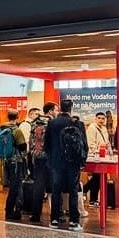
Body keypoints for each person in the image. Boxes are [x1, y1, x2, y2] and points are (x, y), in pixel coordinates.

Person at [44, 99, 88, 231]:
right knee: (73, 190)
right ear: (71, 109)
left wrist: (51, 159)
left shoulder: (52, 123)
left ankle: (55, 219)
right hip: (73, 162)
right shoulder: (77, 123)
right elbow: (84, 145)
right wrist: (82, 161)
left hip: (57, 162)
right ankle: (74, 221)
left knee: (56, 190)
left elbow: (47, 144)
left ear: (61, 108)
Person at [29, 102, 56, 224]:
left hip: (37, 157)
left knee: (38, 186)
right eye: (56, 110)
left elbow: (31, 140)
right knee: (55, 186)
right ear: (50, 111)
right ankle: (56, 215)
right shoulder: (52, 123)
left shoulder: (34, 122)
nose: (57, 112)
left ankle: (35, 215)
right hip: (50, 158)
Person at [0, 110, 28, 221]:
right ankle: (11, 211)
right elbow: (22, 146)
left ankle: (14, 209)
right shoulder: (16, 130)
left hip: (5, 160)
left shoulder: (0, 129)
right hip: (16, 161)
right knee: (15, 186)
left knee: (12, 185)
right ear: (17, 117)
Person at [84, 112, 110, 206]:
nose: (101, 120)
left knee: (97, 177)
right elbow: (91, 143)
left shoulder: (104, 129)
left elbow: (106, 142)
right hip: (94, 156)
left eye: (103, 118)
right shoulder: (92, 128)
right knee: (97, 177)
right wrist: (96, 152)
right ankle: (87, 192)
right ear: (95, 118)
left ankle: (92, 198)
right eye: (99, 118)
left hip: (103, 156)